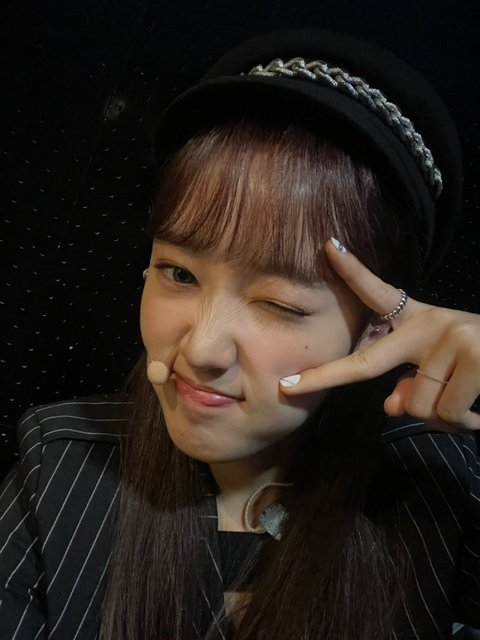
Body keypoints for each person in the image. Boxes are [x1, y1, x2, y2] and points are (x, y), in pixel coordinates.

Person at [0, 29, 479, 640]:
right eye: (178, 274)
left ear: (375, 328)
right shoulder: (61, 464)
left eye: (279, 303)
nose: (201, 351)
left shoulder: (440, 482)